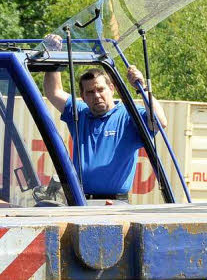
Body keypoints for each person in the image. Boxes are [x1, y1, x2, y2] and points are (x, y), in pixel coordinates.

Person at [42, 34, 166, 200]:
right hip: (80, 201)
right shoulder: (80, 113)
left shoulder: (128, 115)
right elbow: (53, 92)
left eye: (100, 89)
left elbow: (159, 121)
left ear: (112, 89)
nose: (97, 96)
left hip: (115, 203)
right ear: (83, 96)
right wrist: (53, 53)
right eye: (90, 92)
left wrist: (141, 88)